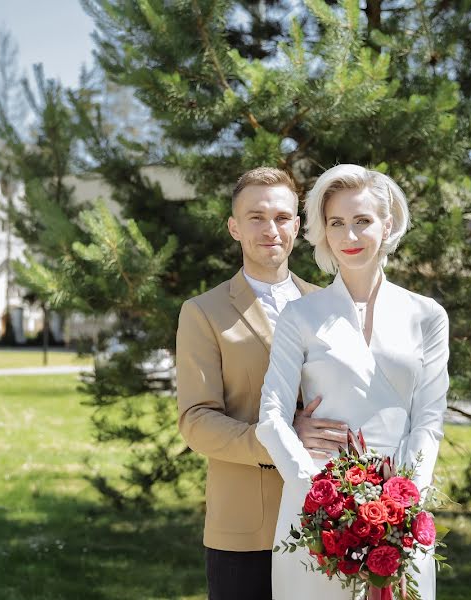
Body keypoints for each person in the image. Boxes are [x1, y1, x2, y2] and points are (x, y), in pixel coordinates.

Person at [255, 164, 449, 599]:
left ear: (388, 223)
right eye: (337, 223)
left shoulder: (427, 315)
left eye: (362, 221)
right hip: (315, 508)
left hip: (401, 509)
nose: (350, 237)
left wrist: (404, 502)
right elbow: (271, 417)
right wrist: (318, 495)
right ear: (323, 230)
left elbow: (429, 421)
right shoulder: (301, 315)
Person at [176, 167, 349, 600]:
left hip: (327, 519)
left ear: (297, 225)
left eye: (282, 217)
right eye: (255, 217)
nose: (270, 229)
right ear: (234, 227)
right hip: (246, 530)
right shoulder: (203, 312)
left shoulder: (330, 306)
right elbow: (196, 421)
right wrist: (282, 439)